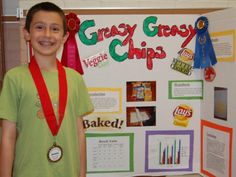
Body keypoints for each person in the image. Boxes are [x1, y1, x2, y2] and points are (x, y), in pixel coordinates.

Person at [0, 2, 93, 177]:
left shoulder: (74, 78)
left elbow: (80, 132)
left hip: (68, 171)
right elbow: (7, 136)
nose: (47, 35)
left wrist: (82, 173)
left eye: (55, 29)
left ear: (65, 37)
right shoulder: (14, 78)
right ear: (27, 33)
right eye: (40, 27)